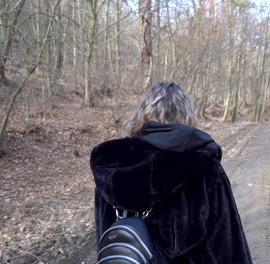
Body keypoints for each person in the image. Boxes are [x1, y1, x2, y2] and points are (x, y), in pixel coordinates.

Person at [90, 81, 253, 263]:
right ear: (187, 116)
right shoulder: (204, 167)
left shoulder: (112, 168)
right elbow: (229, 246)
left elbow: (104, 237)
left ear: (141, 115)